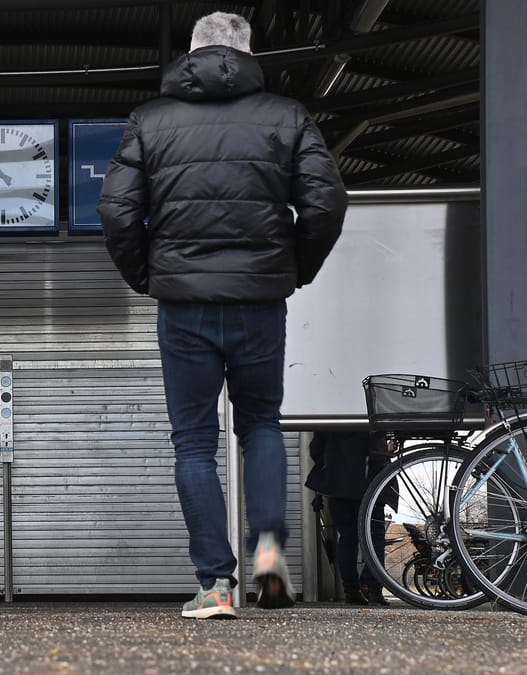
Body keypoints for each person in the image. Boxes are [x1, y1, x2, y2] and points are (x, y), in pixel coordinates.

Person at [97, 11, 347, 620]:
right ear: (248, 52)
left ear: (191, 54)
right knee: (261, 424)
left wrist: (148, 278)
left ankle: (216, 585)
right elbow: (326, 199)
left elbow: (117, 212)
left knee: (193, 444)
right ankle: (269, 561)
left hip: (184, 306)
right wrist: (293, 269)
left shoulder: (151, 120)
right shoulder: (286, 116)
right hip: (261, 302)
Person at [304, 431, 391, 606]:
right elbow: (378, 454)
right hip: (369, 485)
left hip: (337, 486)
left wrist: (329, 467)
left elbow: (315, 449)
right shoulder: (369, 417)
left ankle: (351, 590)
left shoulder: (331, 419)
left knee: (347, 539)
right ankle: (372, 587)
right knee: (375, 539)